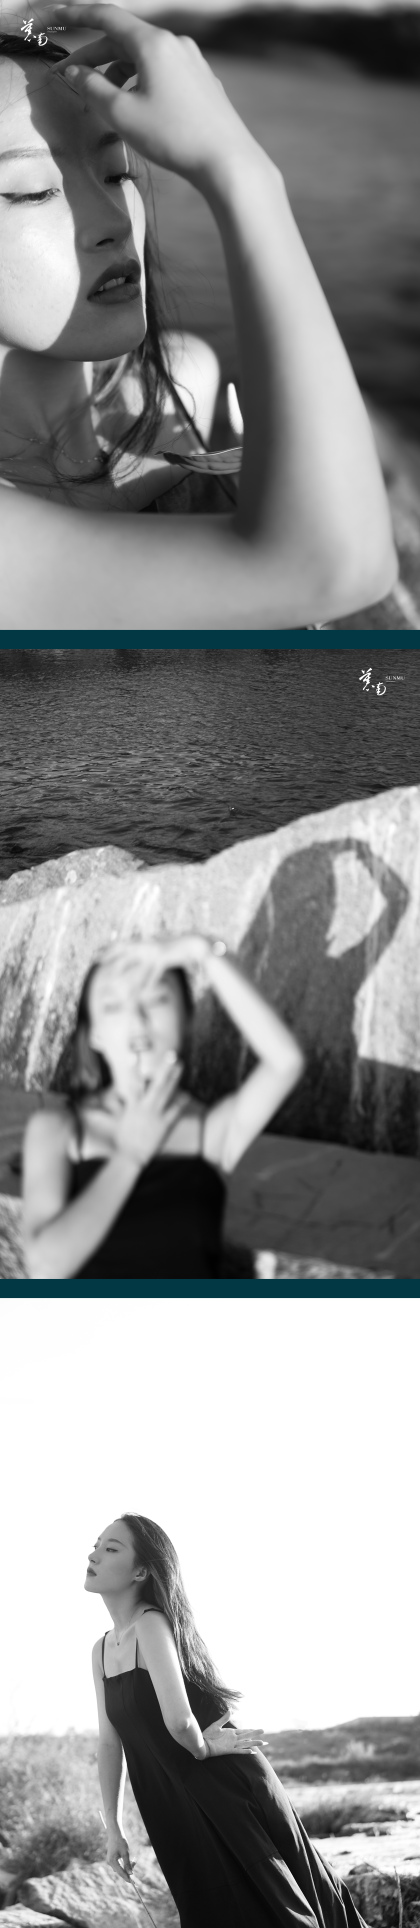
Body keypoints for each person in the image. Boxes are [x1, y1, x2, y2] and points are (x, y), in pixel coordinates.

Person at [0, 0, 396, 628]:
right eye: (34, 190)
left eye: (116, 171)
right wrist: (239, 171)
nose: (112, 220)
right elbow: (331, 569)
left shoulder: (183, 378)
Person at [84, 1510, 368, 1928]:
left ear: (141, 1571)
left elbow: (178, 1723)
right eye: (96, 1546)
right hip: (175, 1798)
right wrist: (113, 1828)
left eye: (111, 1549)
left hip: (220, 1785)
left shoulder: (150, 1624)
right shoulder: (102, 1649)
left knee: (271, 1903)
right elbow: (111, 1744)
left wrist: (201, 1750)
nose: (93, 1555)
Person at [22, 932, 305, 1278]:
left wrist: (202, 951)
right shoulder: (58, 1129)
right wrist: (130, 1156)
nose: (137, 1017)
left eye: (156, 999)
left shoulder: (208, 1132)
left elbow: (286, 1062)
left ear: (187, 1019)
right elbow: (45, 1268)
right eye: (113, 1006)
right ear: (94, 1034)